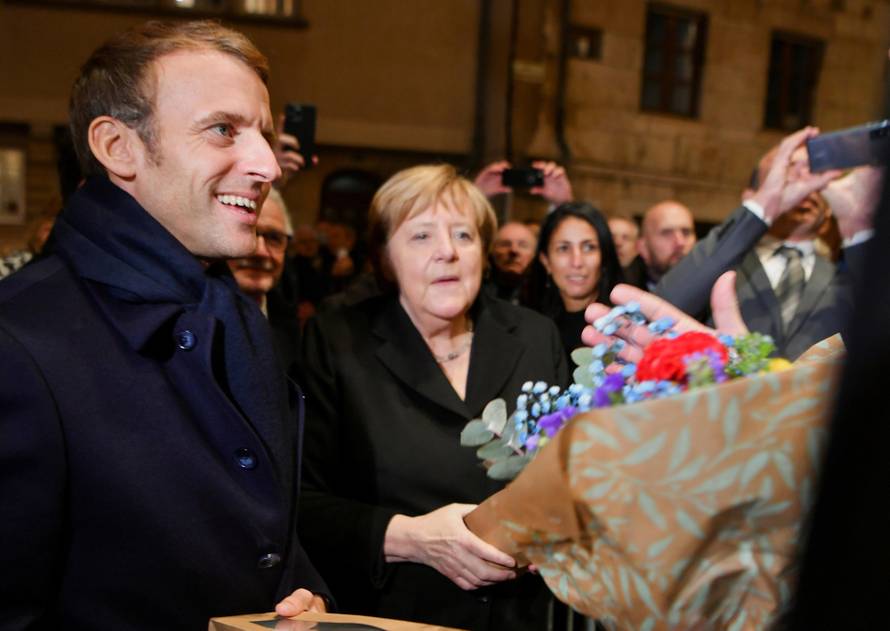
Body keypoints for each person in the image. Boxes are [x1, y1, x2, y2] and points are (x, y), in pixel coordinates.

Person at [0, 21, 328, 630]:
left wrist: (303, 592)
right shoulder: (18, 344)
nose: (266, 165)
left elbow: (265, 538)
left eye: (264, 134)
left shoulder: (233, 314)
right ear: (118, 147)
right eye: (223, 130)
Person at [297, 164, 568, 630]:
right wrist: (414, 538)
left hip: (524, 614)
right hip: (396, 613)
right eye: (421, 236)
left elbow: (571, 469)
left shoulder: (534, 335)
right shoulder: (337, 341)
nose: (447, 252)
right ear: (384, 257)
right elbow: (303, 504)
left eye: (464, 235)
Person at [655, 127, 872, 360]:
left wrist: (857, 225)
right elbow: (661, 311)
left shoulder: (848, 274)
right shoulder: (721, 264)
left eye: (814, 174)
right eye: (788, 172)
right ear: (750, 195)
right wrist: (765, 205)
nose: (804, 185)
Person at [526, 202, 623, 361]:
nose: (577, 262)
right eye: (564, 248)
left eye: (588, 247)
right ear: (546, 261)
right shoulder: (531, 327)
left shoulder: (623, 327)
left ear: (604, 257)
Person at [228, 188, 303, 374]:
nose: (260, 251)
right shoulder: (189, 322)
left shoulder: (292, 327)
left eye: (274, 238)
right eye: (247, 231)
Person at [629, 200, 696, 290]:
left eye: (686, 232)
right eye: (666, 233)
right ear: (643, 248)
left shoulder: (714, 291)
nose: (680, 242)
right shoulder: (618, 294)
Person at [485, 220, 537, 304]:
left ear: (535, 254)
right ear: (492, 251)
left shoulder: (545, 298)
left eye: (523, 245)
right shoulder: (477, 294)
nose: (514, 250)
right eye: (505, 244)